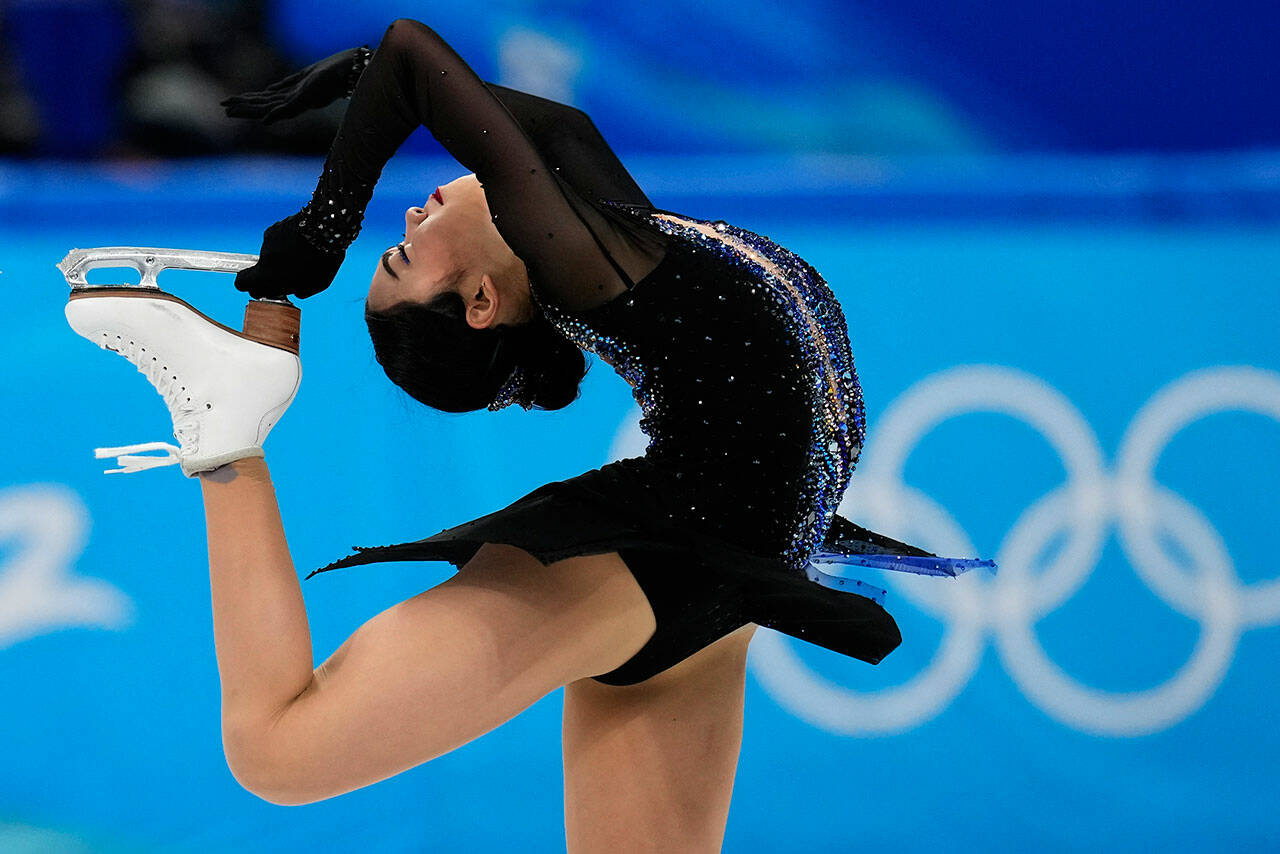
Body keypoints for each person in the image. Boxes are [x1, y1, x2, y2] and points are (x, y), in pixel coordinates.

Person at [69, 17, 993, 851]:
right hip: (664, 559)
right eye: (403, 256)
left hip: (725, 589)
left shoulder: (604, 222)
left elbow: (519, 115)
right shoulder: (594, 270)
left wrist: (362, 86)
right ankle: (225, 430)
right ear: (480, 302)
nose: (408, 214)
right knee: (274, 751)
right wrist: (324, 226)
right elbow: (413, 55)